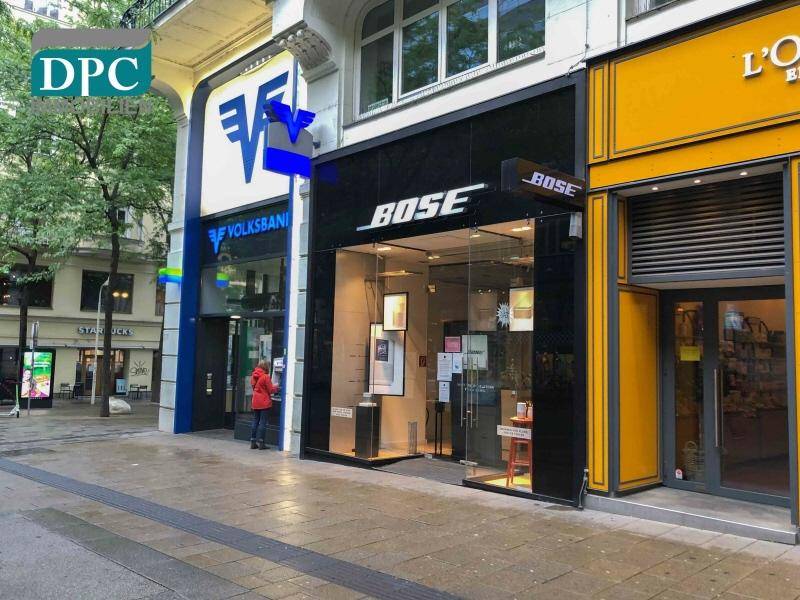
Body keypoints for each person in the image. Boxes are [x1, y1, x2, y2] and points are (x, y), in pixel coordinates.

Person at [250, 360, 278, 450]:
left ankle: (253, 442)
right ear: (266, 367)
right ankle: (261, 443)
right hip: (264, 402)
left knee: (255, 421)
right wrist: (277, 386)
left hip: (255, 401)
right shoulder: (265, 377)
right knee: (262, 422)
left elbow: (254, 387)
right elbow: (271, 390)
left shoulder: (253, 376)